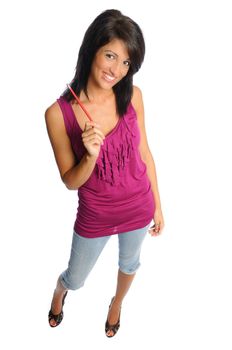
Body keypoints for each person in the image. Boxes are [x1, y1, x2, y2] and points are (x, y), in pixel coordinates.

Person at [45, 9, 164, 337]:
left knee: (130, 265)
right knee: (76, 278)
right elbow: (70, 181)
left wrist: (157, 203)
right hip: (95, 216)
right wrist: (90, 156)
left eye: (126, 62)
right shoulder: (58, 114)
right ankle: (60, 290)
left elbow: (145, 152)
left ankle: (117, 304)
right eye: (110, 56)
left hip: (138, 206)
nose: (116, 70)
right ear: (91, 50)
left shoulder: (133, 96)